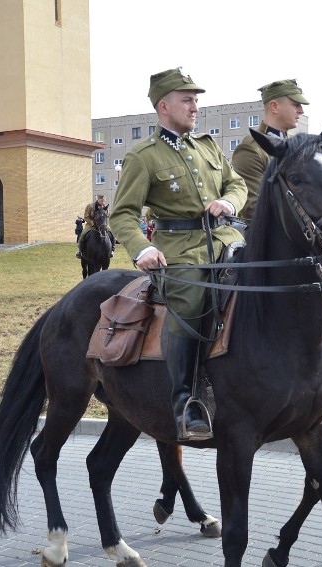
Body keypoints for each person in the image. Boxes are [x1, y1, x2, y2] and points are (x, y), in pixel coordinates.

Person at [110, 68, 247, 441]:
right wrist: (142, 248)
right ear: (163, 105)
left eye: (196, 99)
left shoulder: (207, 145)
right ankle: (187, 402)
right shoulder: (143, 156)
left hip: (228, 238)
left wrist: (228, 201)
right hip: (182, 252)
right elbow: (121, 214)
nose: (195, 106)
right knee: (190, 300)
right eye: (187, 99)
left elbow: (237, 183)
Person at [231, 79, 308, 221]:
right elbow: (253, 208)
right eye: (295, 104)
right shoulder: (251, 148)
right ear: (274, 107)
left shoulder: (296, 148)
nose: (301, 110)